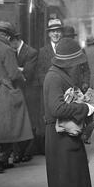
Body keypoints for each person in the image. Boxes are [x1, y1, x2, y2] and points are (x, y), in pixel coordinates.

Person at [43, 38, 94, 187]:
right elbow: (56, 108)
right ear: (68, 61)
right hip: (59, 136)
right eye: (76, 62)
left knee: (64, 178)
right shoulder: (54, 77)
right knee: (62, 179)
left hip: (63, 135)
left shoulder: (58, 74)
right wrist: (86, 108)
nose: (78, 66)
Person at [0, 21, 33, 173]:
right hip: (6, 92)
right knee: (11, 128)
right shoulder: (7, 50)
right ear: (7, 35)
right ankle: (0, 160)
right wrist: (22, 76)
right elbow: (13, 73)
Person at [9, 29, 38, 163]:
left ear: (15, 41)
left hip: (29, 92)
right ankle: (19, 153)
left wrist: (17, 69)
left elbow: (28, 73)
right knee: (19, 122)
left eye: (10, 42)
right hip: (18, 91)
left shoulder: (31, 52)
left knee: (30, 122)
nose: (9, 45)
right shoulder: (12, 51)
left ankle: (27, 152)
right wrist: (20, 69)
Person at [37, 19, 64, 154]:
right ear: (49, 34)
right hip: (49, 91)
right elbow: (40, 73)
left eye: (58, 31)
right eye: (53, 31)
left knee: (65, 117)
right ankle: (52, 148)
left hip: (65, 91)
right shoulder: (43, 52)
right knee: (51, 118)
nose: (56, 34)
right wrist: (49, 83)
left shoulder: (66, 49)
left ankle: (63, 147)